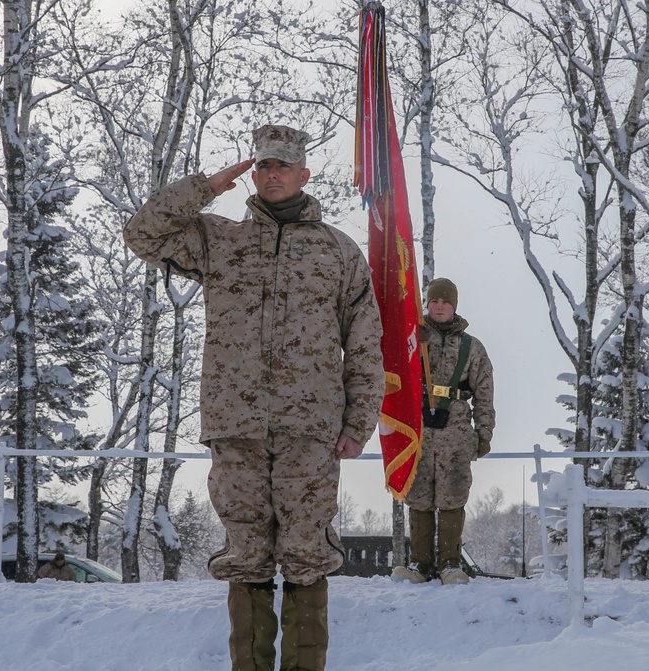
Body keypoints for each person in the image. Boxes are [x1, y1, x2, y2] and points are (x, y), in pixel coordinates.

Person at [124, 124, 384, 671]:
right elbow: (142, 233)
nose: (271, 175)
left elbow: (363, 342)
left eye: (283, 167)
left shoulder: (337, 250)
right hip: (236, 425)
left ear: (304, 174)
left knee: (308, 554)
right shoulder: (222, 240)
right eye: (264, 165)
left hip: (310, 430)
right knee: (247, 557)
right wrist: (207, 186)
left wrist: (358, 423)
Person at [392, 278, 495, 585]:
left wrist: (484, 433)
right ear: (428, 304)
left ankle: (450, 565)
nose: (439, 307)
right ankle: (420, 565)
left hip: (456, 430)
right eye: (434, 301)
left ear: (454, 306)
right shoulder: (412, 339)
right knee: (419, 496)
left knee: (452, 496)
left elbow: (485, 392)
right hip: (418, 430)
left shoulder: (472, 347)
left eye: (445, 302)